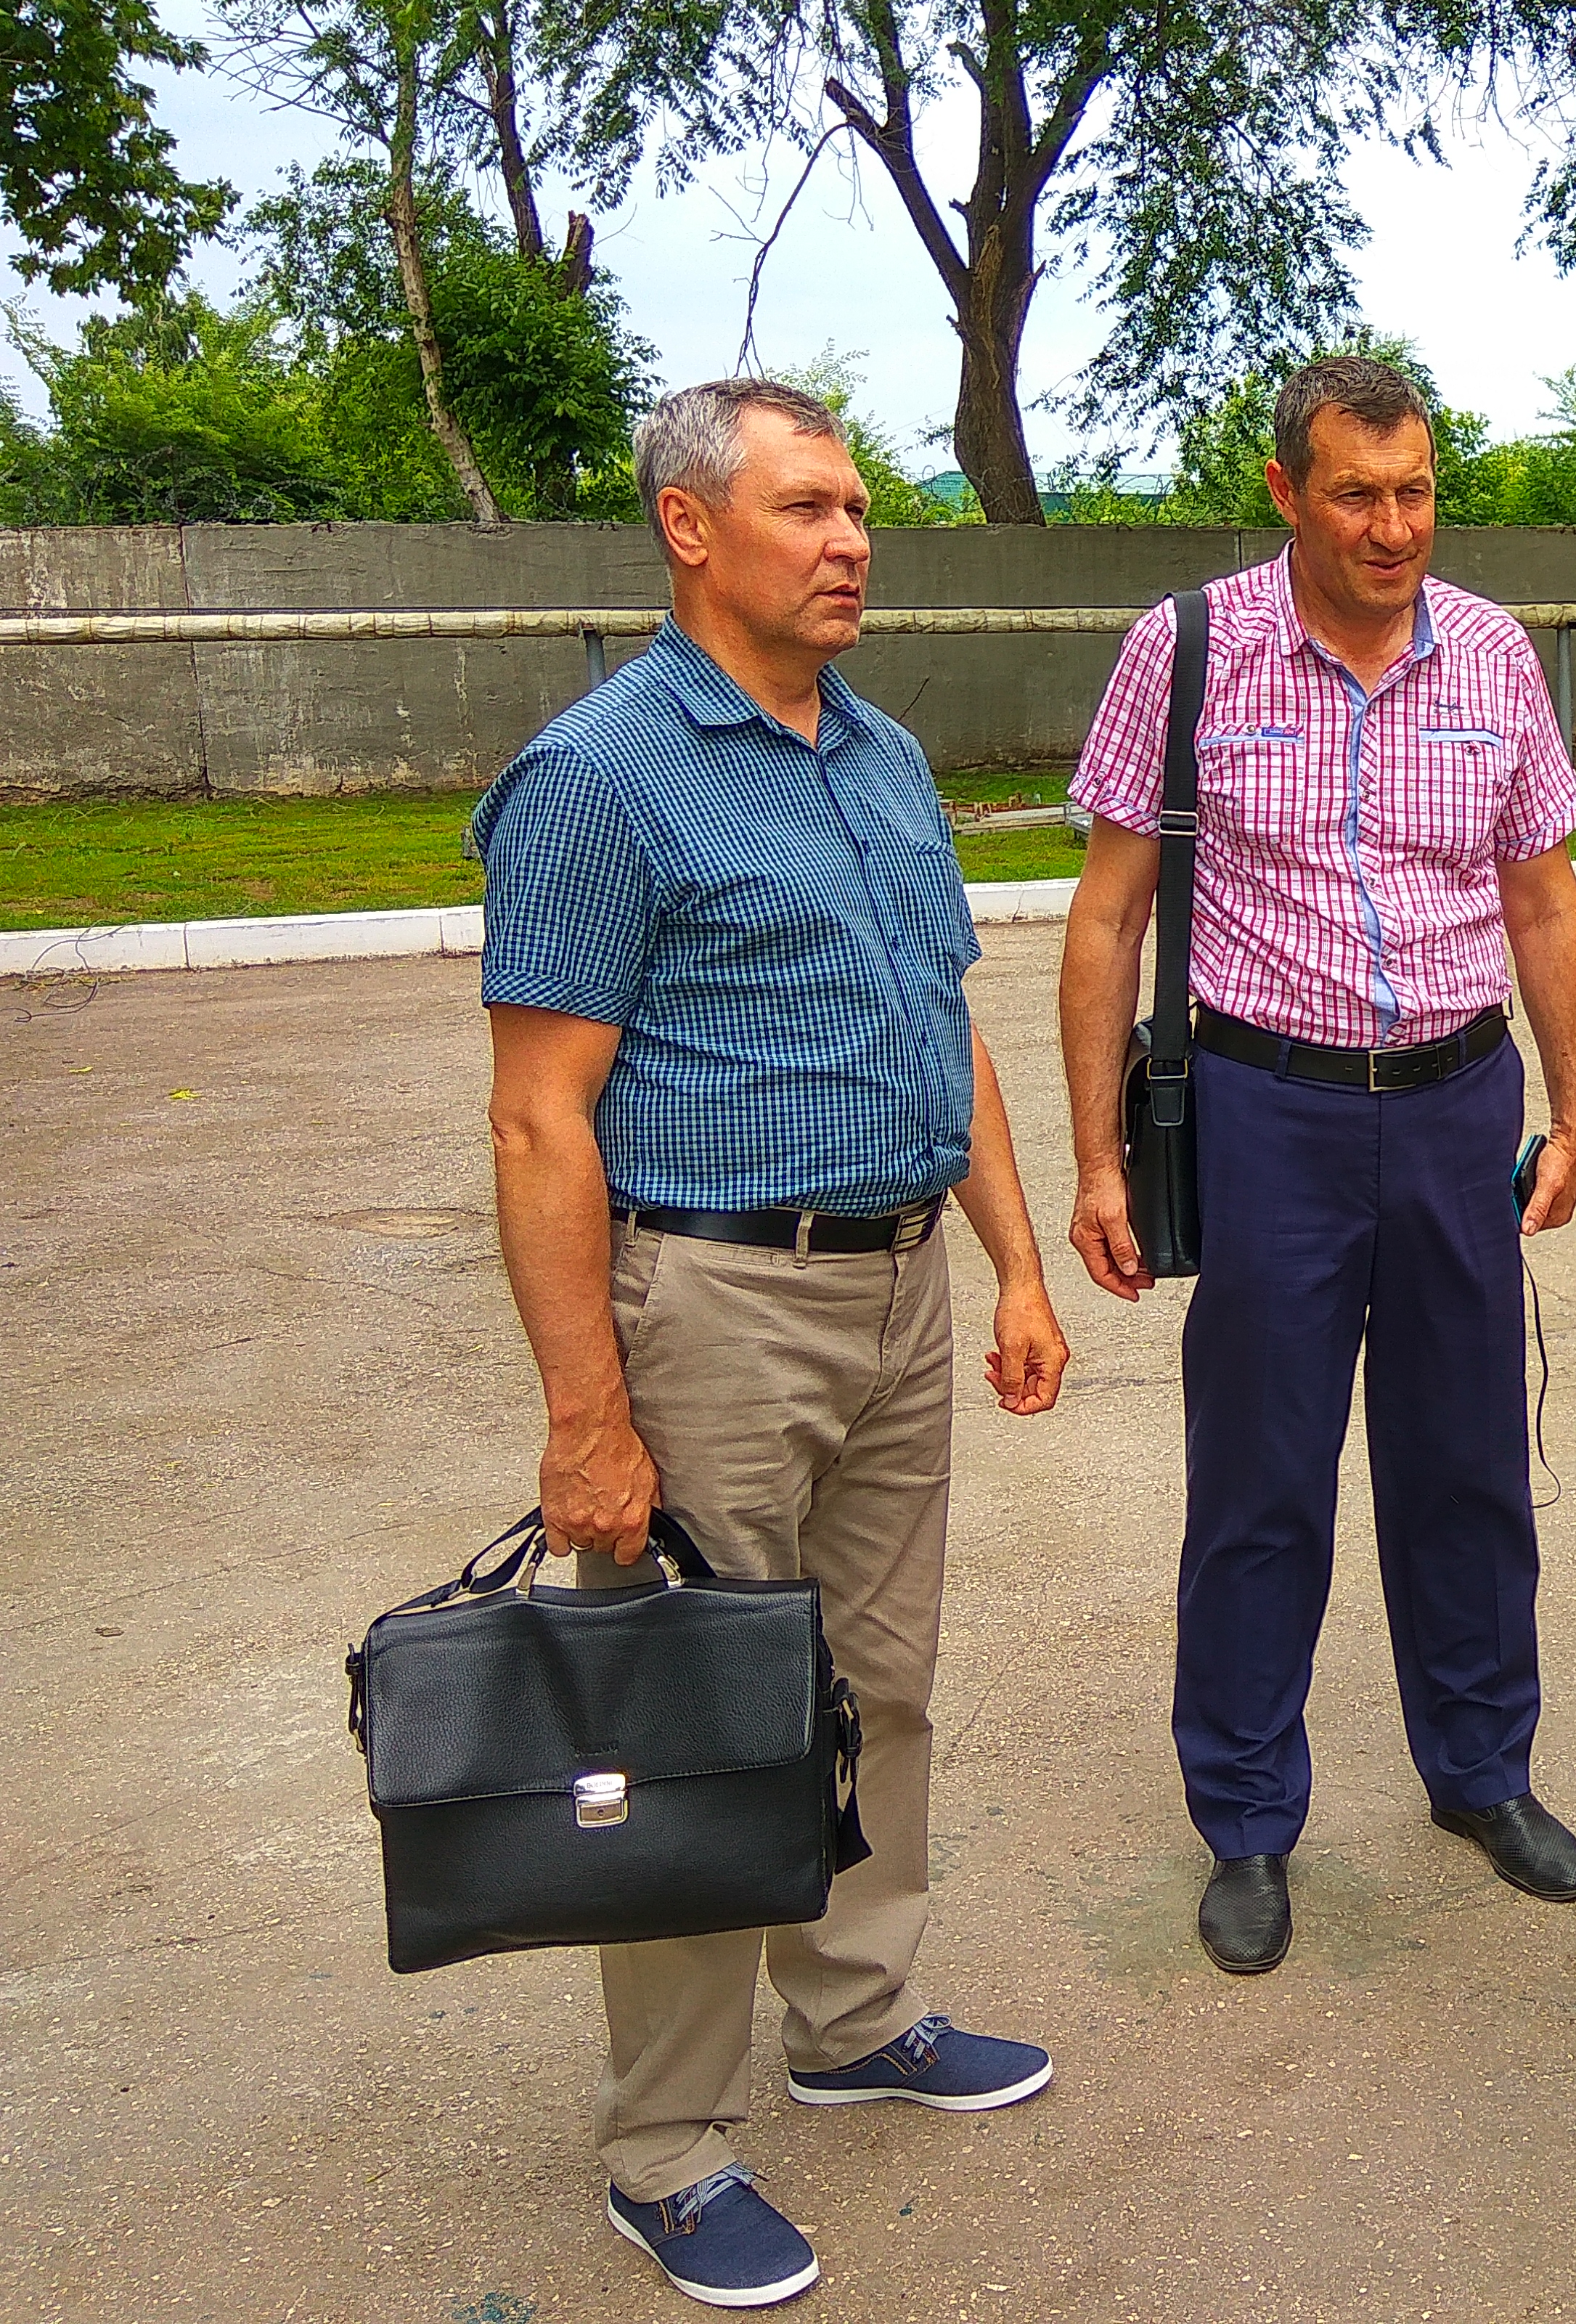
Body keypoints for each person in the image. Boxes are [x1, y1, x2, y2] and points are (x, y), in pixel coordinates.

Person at [475, 377, 1068, 2311]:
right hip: (712, 1309)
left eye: (859, 510)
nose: (850, 540)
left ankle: (855, 2014)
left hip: (892, 1290)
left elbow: (945, 1013)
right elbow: (539, 1117)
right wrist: (589, 1421)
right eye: (808, 507)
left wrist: (1016, 1264)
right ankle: (664, 2144)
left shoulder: (877, 753)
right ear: (689, 529)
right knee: (691, 1729)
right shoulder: (604, 773)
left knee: (876, 1689)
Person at [1056, 355, 1576, 1980]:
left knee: (1468, 1471)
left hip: (1453, 1109)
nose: (1392, 523)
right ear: (1287, 492)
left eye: (1417, 488)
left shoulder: (1496, 654)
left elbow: (1545, 899)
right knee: (1261, 1488)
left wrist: (1572, 1112)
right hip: (1267, 1109)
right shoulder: (1189, 647)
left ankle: (1482, 1774)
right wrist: (1097, 1158)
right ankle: (1244, 1819)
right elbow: (1109, 913)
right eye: (1357, 491)